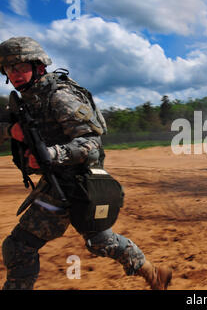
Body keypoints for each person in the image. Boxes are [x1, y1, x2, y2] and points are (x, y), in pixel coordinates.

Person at [0, 37, 172, 290]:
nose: (14, 74)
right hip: (57, 186)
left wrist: (51, 154)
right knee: (22, 246)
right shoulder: (28, 100)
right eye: (8, 69)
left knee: (96, 243)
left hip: (82, 184)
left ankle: (152, 273)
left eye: (19, 66)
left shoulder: (59, 96)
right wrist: (11, 131)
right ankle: (153, 273)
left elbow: (91, 145)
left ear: (38, 65)